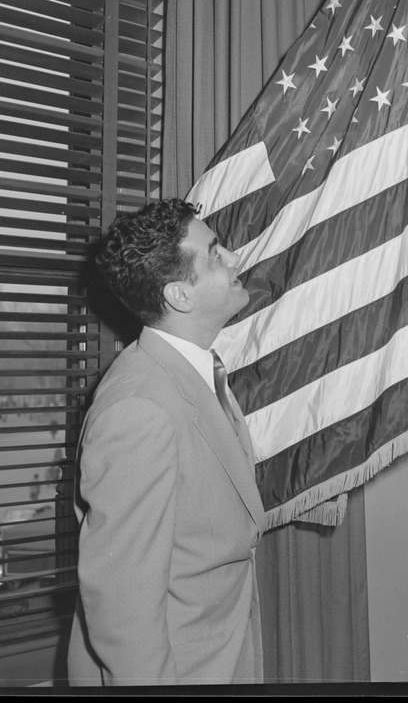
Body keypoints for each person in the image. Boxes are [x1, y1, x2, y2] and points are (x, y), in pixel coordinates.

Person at [68, 199, 266, 685]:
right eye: (216, 253)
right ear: (179, 295)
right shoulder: (139, 410)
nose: (235, 258)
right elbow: (123, 615)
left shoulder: (195, 374)